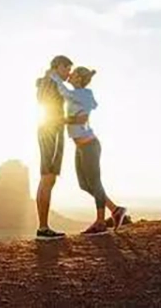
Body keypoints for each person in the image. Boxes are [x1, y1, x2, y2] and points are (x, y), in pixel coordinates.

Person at [49, 66, 127, 235]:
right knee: (84, 185)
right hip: (81, 146)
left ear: (79, 79)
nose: (70, 74)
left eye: (74, 73)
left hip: (90, 145)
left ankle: (100, 222)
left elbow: (66, 93)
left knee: (95, 182)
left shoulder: (82, 94)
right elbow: (74, 113)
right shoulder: (79, 95)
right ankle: (115, 210)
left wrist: (54, 77)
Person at [34, 55, 73, 240]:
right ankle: (43, 228)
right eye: (67, 69)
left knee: (47, 179)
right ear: (58, 66)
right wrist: (70, 120)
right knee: (48, 179)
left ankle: (43, 227)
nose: (68, 73)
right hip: (52, 131)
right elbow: (49, 105)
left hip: (47, 129)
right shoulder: (51, 82)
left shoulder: (46, 80)